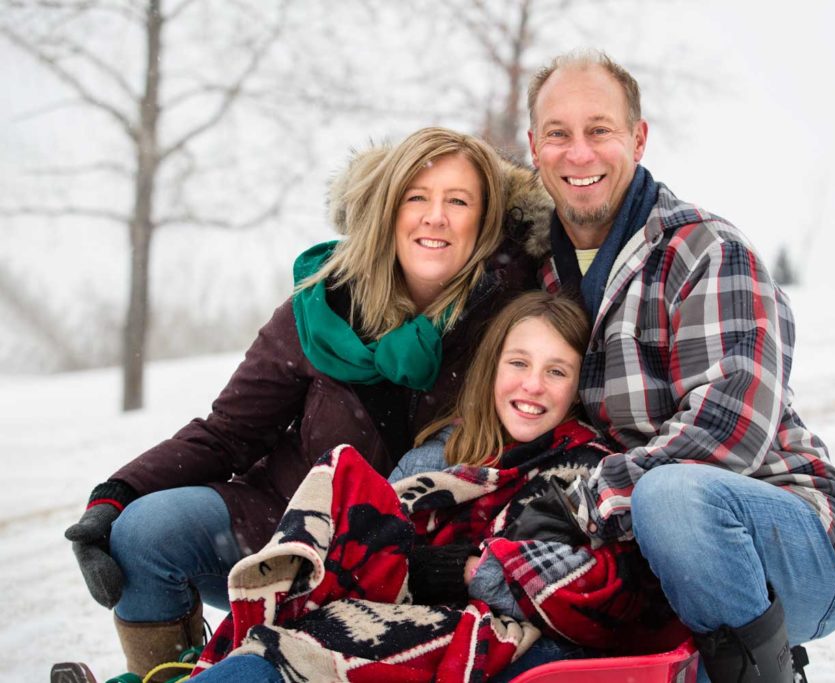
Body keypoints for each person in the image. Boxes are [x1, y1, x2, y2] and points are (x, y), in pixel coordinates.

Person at [62, 127, 548, 680]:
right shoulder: (323, 305)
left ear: (483, 222)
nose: (434, 216)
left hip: (424, 558)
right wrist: (117, 495)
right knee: (148, 531)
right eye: (417, 196)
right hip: (290, 527)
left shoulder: (512, 317)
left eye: (457, 201)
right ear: (387, 209)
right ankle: (173, 671)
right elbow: (229, 433)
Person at [514, 49, 835, 682]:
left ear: (639, 138)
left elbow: (728, 433)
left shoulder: (706, 251)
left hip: (785, 533)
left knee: (672, 495)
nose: (579, 153)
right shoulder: (539, 275)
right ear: (534, 148)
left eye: (600, 130)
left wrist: (582, 503)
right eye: (558, 134)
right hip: (637, 545)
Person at [186, 291, 681, 683]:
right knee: (290, 621)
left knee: (294, 651)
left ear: (578, 386)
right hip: (385, 615)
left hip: (499, 643)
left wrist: (459, 571)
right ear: (493, 367)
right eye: (519, 363)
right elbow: (375, 538)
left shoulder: (590, 470)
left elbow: (602, 591)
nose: (532, 385)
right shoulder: (439, 454)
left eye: (556, 371)